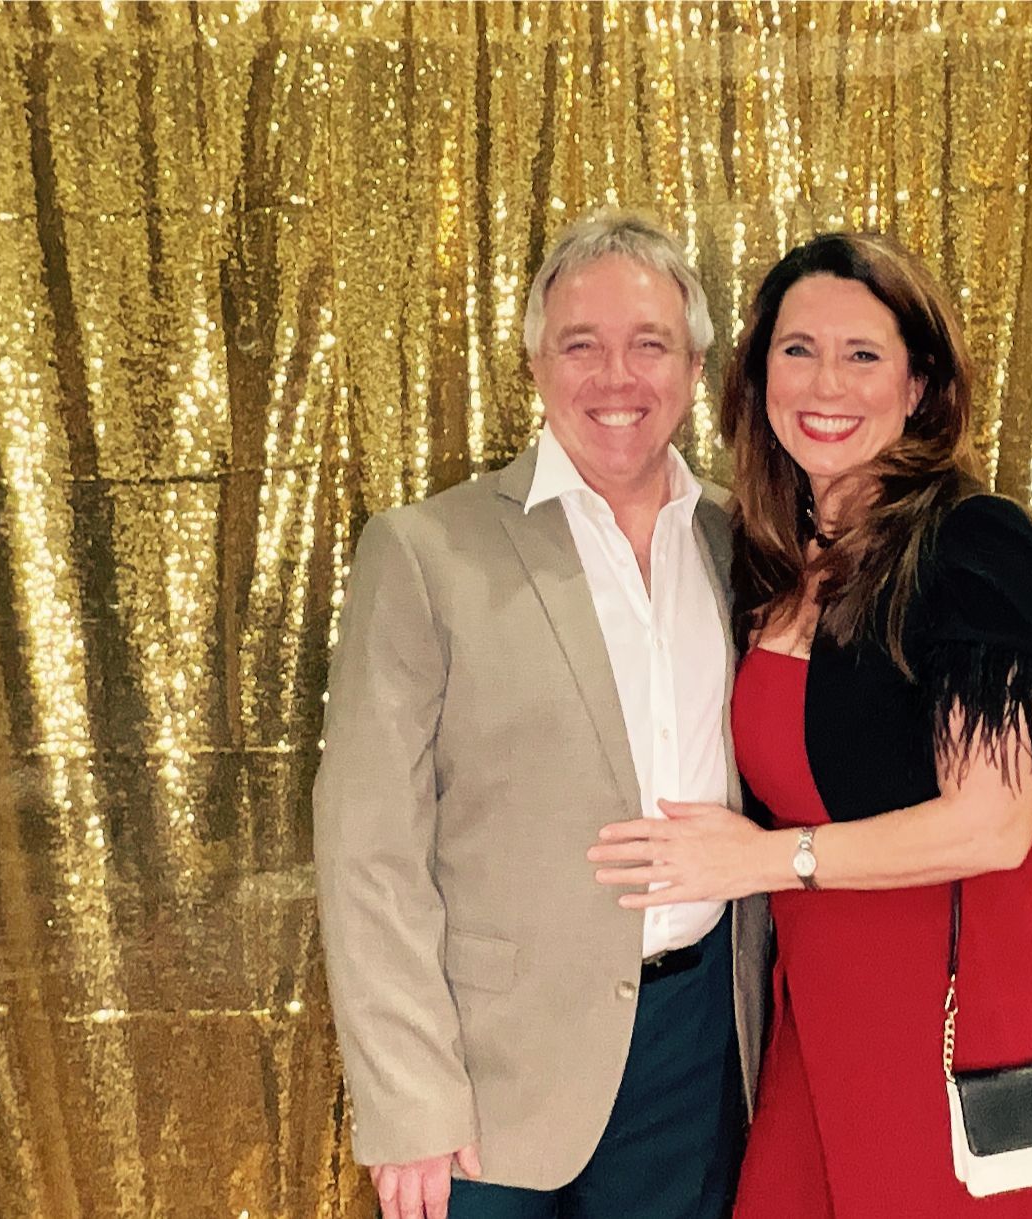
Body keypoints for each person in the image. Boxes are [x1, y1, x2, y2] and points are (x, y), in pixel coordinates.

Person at [590, 232, 1032, 1217]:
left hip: (962, 1002)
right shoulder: (769, 557)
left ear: (919, 386)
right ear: (759, 377)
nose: (826, 383)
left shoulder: (974, 544)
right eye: (798, 350)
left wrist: (762, 861)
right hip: (822, 996)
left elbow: (994, 823)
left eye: (862, 354)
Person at [314, 211, 769, 1219]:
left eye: (649, 344)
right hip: (487, 1075)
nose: (616, 376)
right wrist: (409, 1097)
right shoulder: (425, 551)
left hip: (697, 1054)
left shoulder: (744, 545)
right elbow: (368, 847)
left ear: (695, 367)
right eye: (581, 345)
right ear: (534, 365)